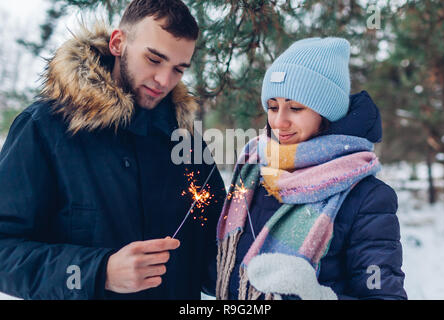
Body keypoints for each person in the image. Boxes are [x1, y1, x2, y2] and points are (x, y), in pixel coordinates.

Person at [0, 0, 225, 300]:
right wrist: (99, 271)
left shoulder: (186, 142)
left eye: (178, 69)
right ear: (118, 43)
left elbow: (216, 247)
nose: (164, 80)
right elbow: (4, 252)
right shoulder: (44, 129)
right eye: (154, 59)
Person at [216, 37, 407, 300]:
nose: (279, 121)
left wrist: (317, 296)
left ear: (325, 114)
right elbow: (220, 271)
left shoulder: (368, 197)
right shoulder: (253, 172)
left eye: (295, 108)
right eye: (273, 107)